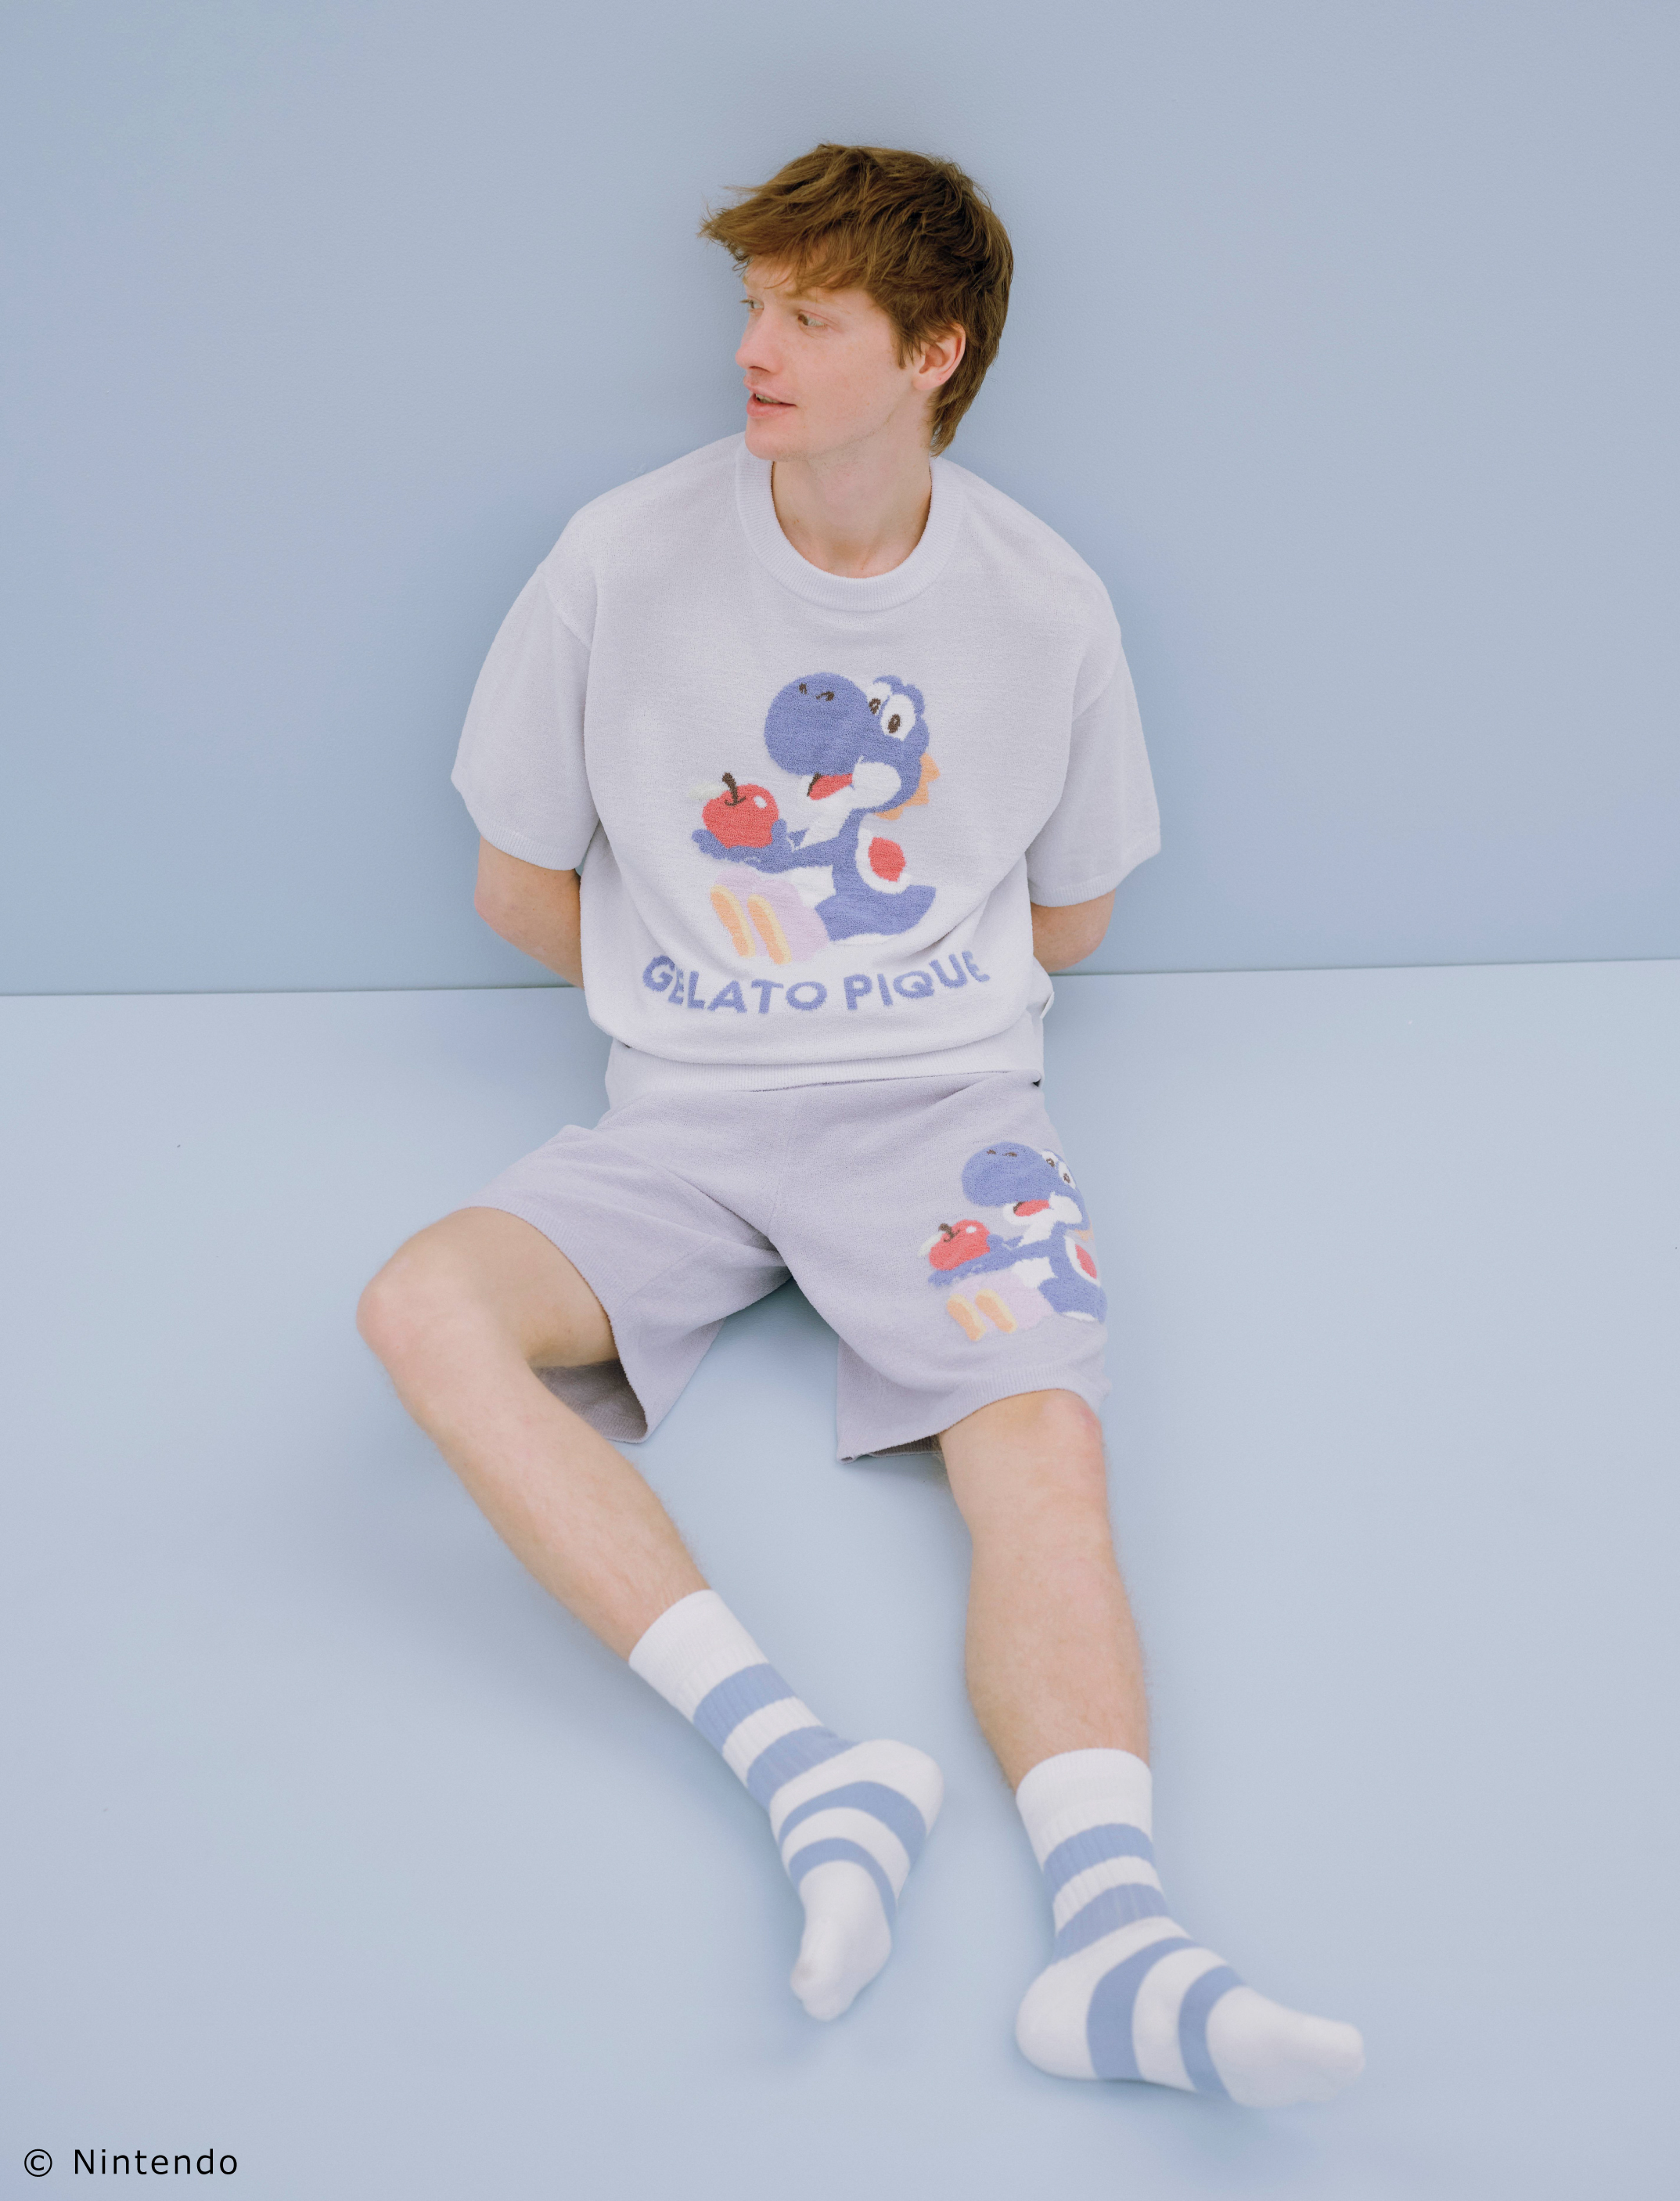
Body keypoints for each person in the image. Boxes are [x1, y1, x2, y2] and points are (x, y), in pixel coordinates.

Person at [356, 142, 1364, 2108]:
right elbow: (512, 884)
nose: (754, 348)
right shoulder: (616, 560)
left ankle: (1122, 1945)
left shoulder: (1045, 603)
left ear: (933, 352)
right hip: (680, 1120)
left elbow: (1072, 915)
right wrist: (704, 993)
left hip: (949, 1112)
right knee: (421, 1307)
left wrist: (880, 1004)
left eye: (810, 316)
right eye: (752, 305)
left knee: (1045, 1454)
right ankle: (816, 1778)